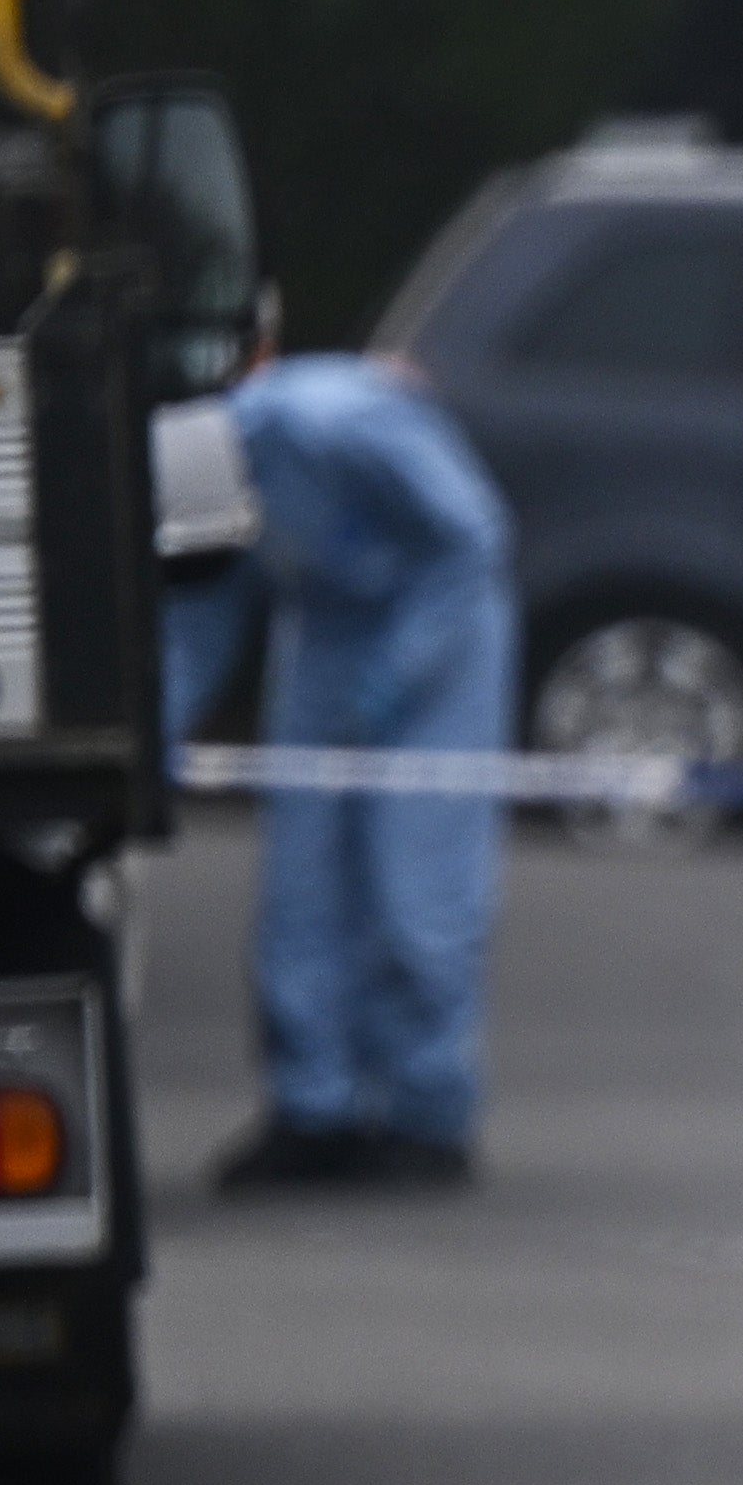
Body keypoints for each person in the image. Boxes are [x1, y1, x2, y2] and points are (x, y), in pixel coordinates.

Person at [214, 353, 513, 1192]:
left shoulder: (336, 423)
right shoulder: (209, 468)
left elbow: (472, 538)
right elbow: (203, 608)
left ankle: (427, 1115)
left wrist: (392, 678)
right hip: (325, 633)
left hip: (441, 629)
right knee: (300, 888)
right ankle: (314, 1109)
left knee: (418, 885)